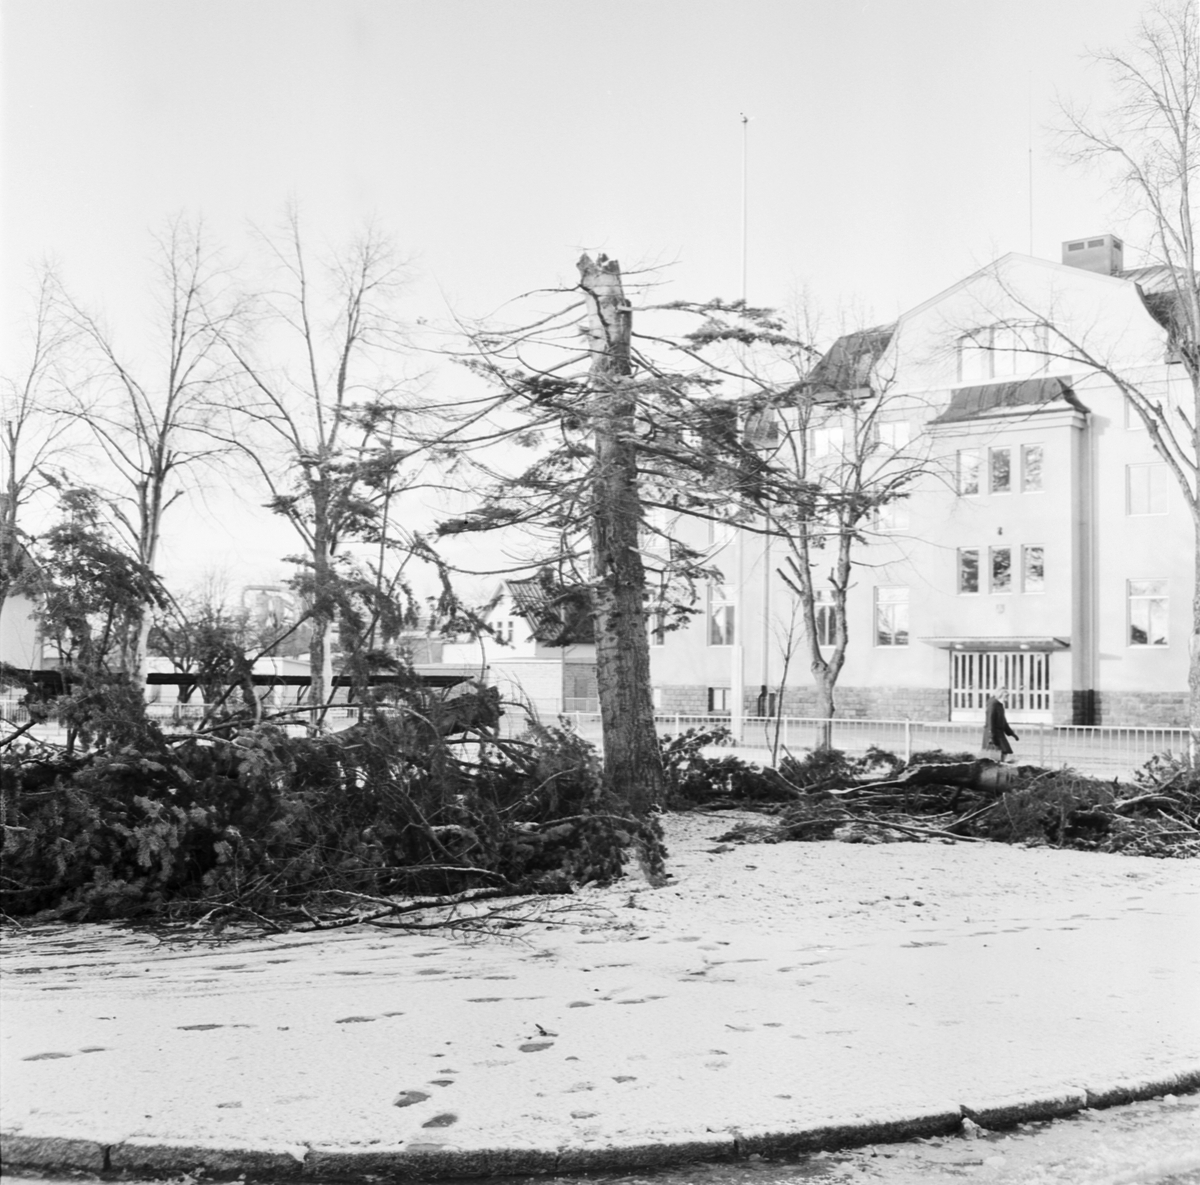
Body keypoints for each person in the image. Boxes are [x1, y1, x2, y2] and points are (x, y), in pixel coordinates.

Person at [981, 690, 1019, 762]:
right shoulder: (993, 704)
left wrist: (1011, 733)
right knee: (995, 755)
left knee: (1004, 751)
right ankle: (997, 767)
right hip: (993, 733)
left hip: (999, 733)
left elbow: (1003, 721)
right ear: (1000, 695)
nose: (1007, 699)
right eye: (1006, 697)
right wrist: (991, 735)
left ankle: (1000, 766)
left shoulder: (999, 705)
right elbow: (990, 721)